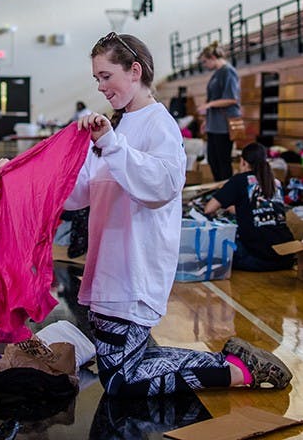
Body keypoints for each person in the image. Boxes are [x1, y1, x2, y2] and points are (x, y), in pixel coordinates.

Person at [55, 31, 292, 396]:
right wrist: (27, 182)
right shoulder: (115, 126)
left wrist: (110, 146)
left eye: (106, 76)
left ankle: (233, 369)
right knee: (121, 372)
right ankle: (232, 365)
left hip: (134, 269)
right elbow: (81, 192)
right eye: (97, 78)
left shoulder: (158, 124)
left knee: (121, 379)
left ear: (135, 71)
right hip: (109, 269)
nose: (100, 87)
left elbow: (161, 187)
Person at [204, 142, 295, 271]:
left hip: (257, 258)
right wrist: (236, 209)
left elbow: (209, 208)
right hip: (285, 257)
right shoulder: (275, 182)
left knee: (219, 243)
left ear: (243, 162)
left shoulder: (239, 180)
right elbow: (259, 208)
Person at [197, 41, 241, 181]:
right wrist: (206, 120)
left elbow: (232, 98)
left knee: (223, 162)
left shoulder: (228, 71)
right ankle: (219, 191)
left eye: (205, 61)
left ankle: (225, 194)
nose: (205, 65)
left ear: (213, 58)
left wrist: (208, 105)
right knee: (212, 160)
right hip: (214, 124)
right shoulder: (217, 73)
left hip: (223, 125)